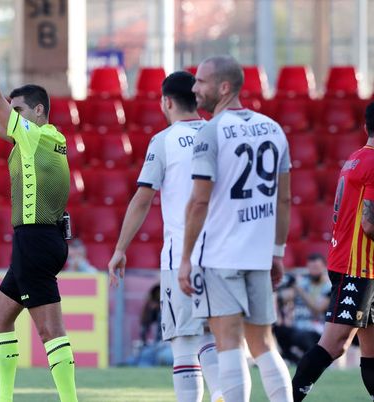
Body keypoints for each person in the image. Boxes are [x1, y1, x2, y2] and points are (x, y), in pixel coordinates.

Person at [0, 17, 76, 402]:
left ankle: (69, 400)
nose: (13, 114)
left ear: (38, 110)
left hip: (36, 239)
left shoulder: (35, 136)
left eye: (19, 108)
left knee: (49, 330)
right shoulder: (46, 139)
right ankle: (4, 398)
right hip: (41, 239)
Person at [178, 55, 293, 402]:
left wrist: (185, 258)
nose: (194, 88)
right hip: (258, 255)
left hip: (220, 254)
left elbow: (199, 202)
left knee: (227, 345)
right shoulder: (274, 129)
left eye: (201, 81)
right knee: (263, 345)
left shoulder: (210, 131)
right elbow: (284, 201)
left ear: (224, 87)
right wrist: (276, 252)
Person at [108, 71, 222, 402]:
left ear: (167, 102)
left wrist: (119, 249)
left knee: (185, 346)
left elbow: (143, 198)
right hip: (222, 255)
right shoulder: (219, 134)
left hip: (181, 257)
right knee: (212, 338)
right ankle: (225, 395)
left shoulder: (165, 141)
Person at [291, 102, 374, 401]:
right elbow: (369, 224)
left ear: (365, 126)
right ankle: (289, 397)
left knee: (371, 350)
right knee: (336, 343)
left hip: (356, 264)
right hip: (358, 268)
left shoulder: (354, 158)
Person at [274, 254, 331, 364]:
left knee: (303, 336)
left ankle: (313, 362)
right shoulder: (302, 283)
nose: (313, 271)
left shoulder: (329, 287)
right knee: (278, 329)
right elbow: (285, 298)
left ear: (324, 267)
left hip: (317, 332)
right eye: (311, 268)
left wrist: (298, 288)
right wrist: (280, 287)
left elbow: (317, 309)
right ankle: (292, 359)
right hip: (298, 327)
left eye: (316, 268)